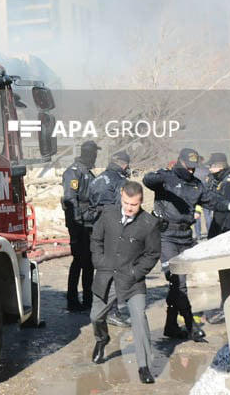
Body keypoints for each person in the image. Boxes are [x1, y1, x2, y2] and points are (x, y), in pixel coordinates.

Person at [144, 148, 230, 341]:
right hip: (166, 235)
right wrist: (163, 177)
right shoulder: (166, 178)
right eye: (188, 167)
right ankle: (190, 325)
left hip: (185, 236)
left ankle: (171, 326)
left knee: (176, 284)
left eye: (194, 168)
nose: (191, 171)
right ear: (180, 162)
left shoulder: (196, 185)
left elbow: (213, 201)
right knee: (178, 283)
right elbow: (147, 180)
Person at [89, 181, 160, 385]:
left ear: (141, 202)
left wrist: (135, 272)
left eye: (134, 205)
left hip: (132, 282)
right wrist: (99, 262)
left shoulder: (149, 223)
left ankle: (144, 366)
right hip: (106, 277)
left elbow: (152, 254)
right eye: (127, 203)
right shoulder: (108, 214)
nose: (129, 208)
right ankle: (102, 339)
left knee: (139, 317)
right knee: (95, 317)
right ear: (121, 196)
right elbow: (96, 240)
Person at [88, 150, 134, 326]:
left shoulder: (97, 179)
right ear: (123, 164)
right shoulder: (120, 182)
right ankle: (112, 312)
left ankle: (100, 309)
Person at [62, 140, 100, 311]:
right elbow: (71, 198)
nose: (96, 157)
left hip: (89, 223)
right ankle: (72, 299)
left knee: (89, 263)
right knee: (79, 261)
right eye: (94, 154)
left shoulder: (88, 173)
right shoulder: (74, 172)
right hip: (79, 225)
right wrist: (77, 224)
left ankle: (87, 298)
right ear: (88, 154)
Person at [204, 153, 230, 238]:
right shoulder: (216, 178)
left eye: (211, 166)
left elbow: (225, 201)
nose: (210, 169)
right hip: (218, 217)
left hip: (228, 220)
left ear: (220, 166)